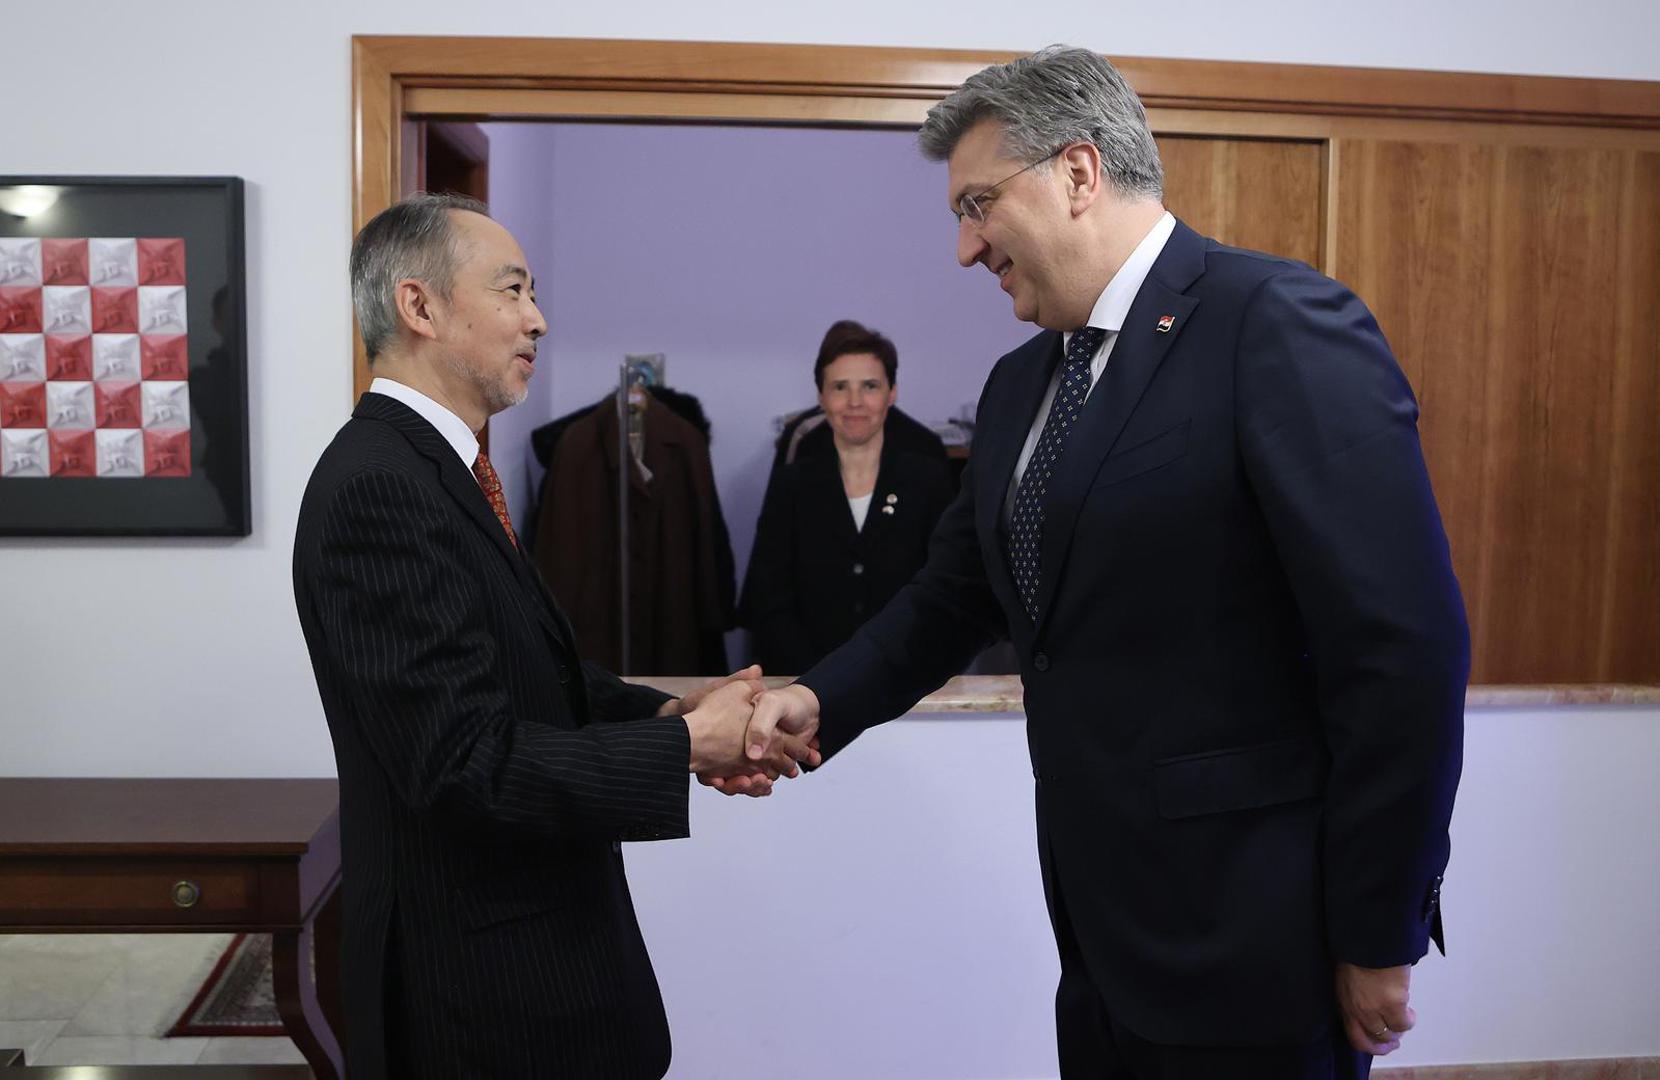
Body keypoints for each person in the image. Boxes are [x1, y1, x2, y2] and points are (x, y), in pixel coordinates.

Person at [734, 46, 1468, 1079]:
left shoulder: (1277, 325)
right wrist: (822, 696)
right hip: (1097, 943)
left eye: (979, 203)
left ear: (1079, 173)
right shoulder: (1017, 384)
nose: (962, 247)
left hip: (1258, 943)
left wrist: (1378, 927)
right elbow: (955, 595)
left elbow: (1401, 653)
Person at [292, 194, 812, 1080]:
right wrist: (685, 746)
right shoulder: (379, 487)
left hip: (533, 976)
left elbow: (536, 679)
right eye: (512, 290)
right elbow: (463, 762)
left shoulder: (442, 471)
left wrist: (682, 716)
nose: (537, 318)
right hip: (480, 1000)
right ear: (419, 307)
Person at [738, 319, 954, 674]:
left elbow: (943, 589)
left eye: (870, 386)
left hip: (906, 681)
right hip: (806, 685)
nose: (855, 402)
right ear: (822, 397)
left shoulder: (927, 479)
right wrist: (815, 684)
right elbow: (769, 597)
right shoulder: (792, 484)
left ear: (892, 393)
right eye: (840, 387)